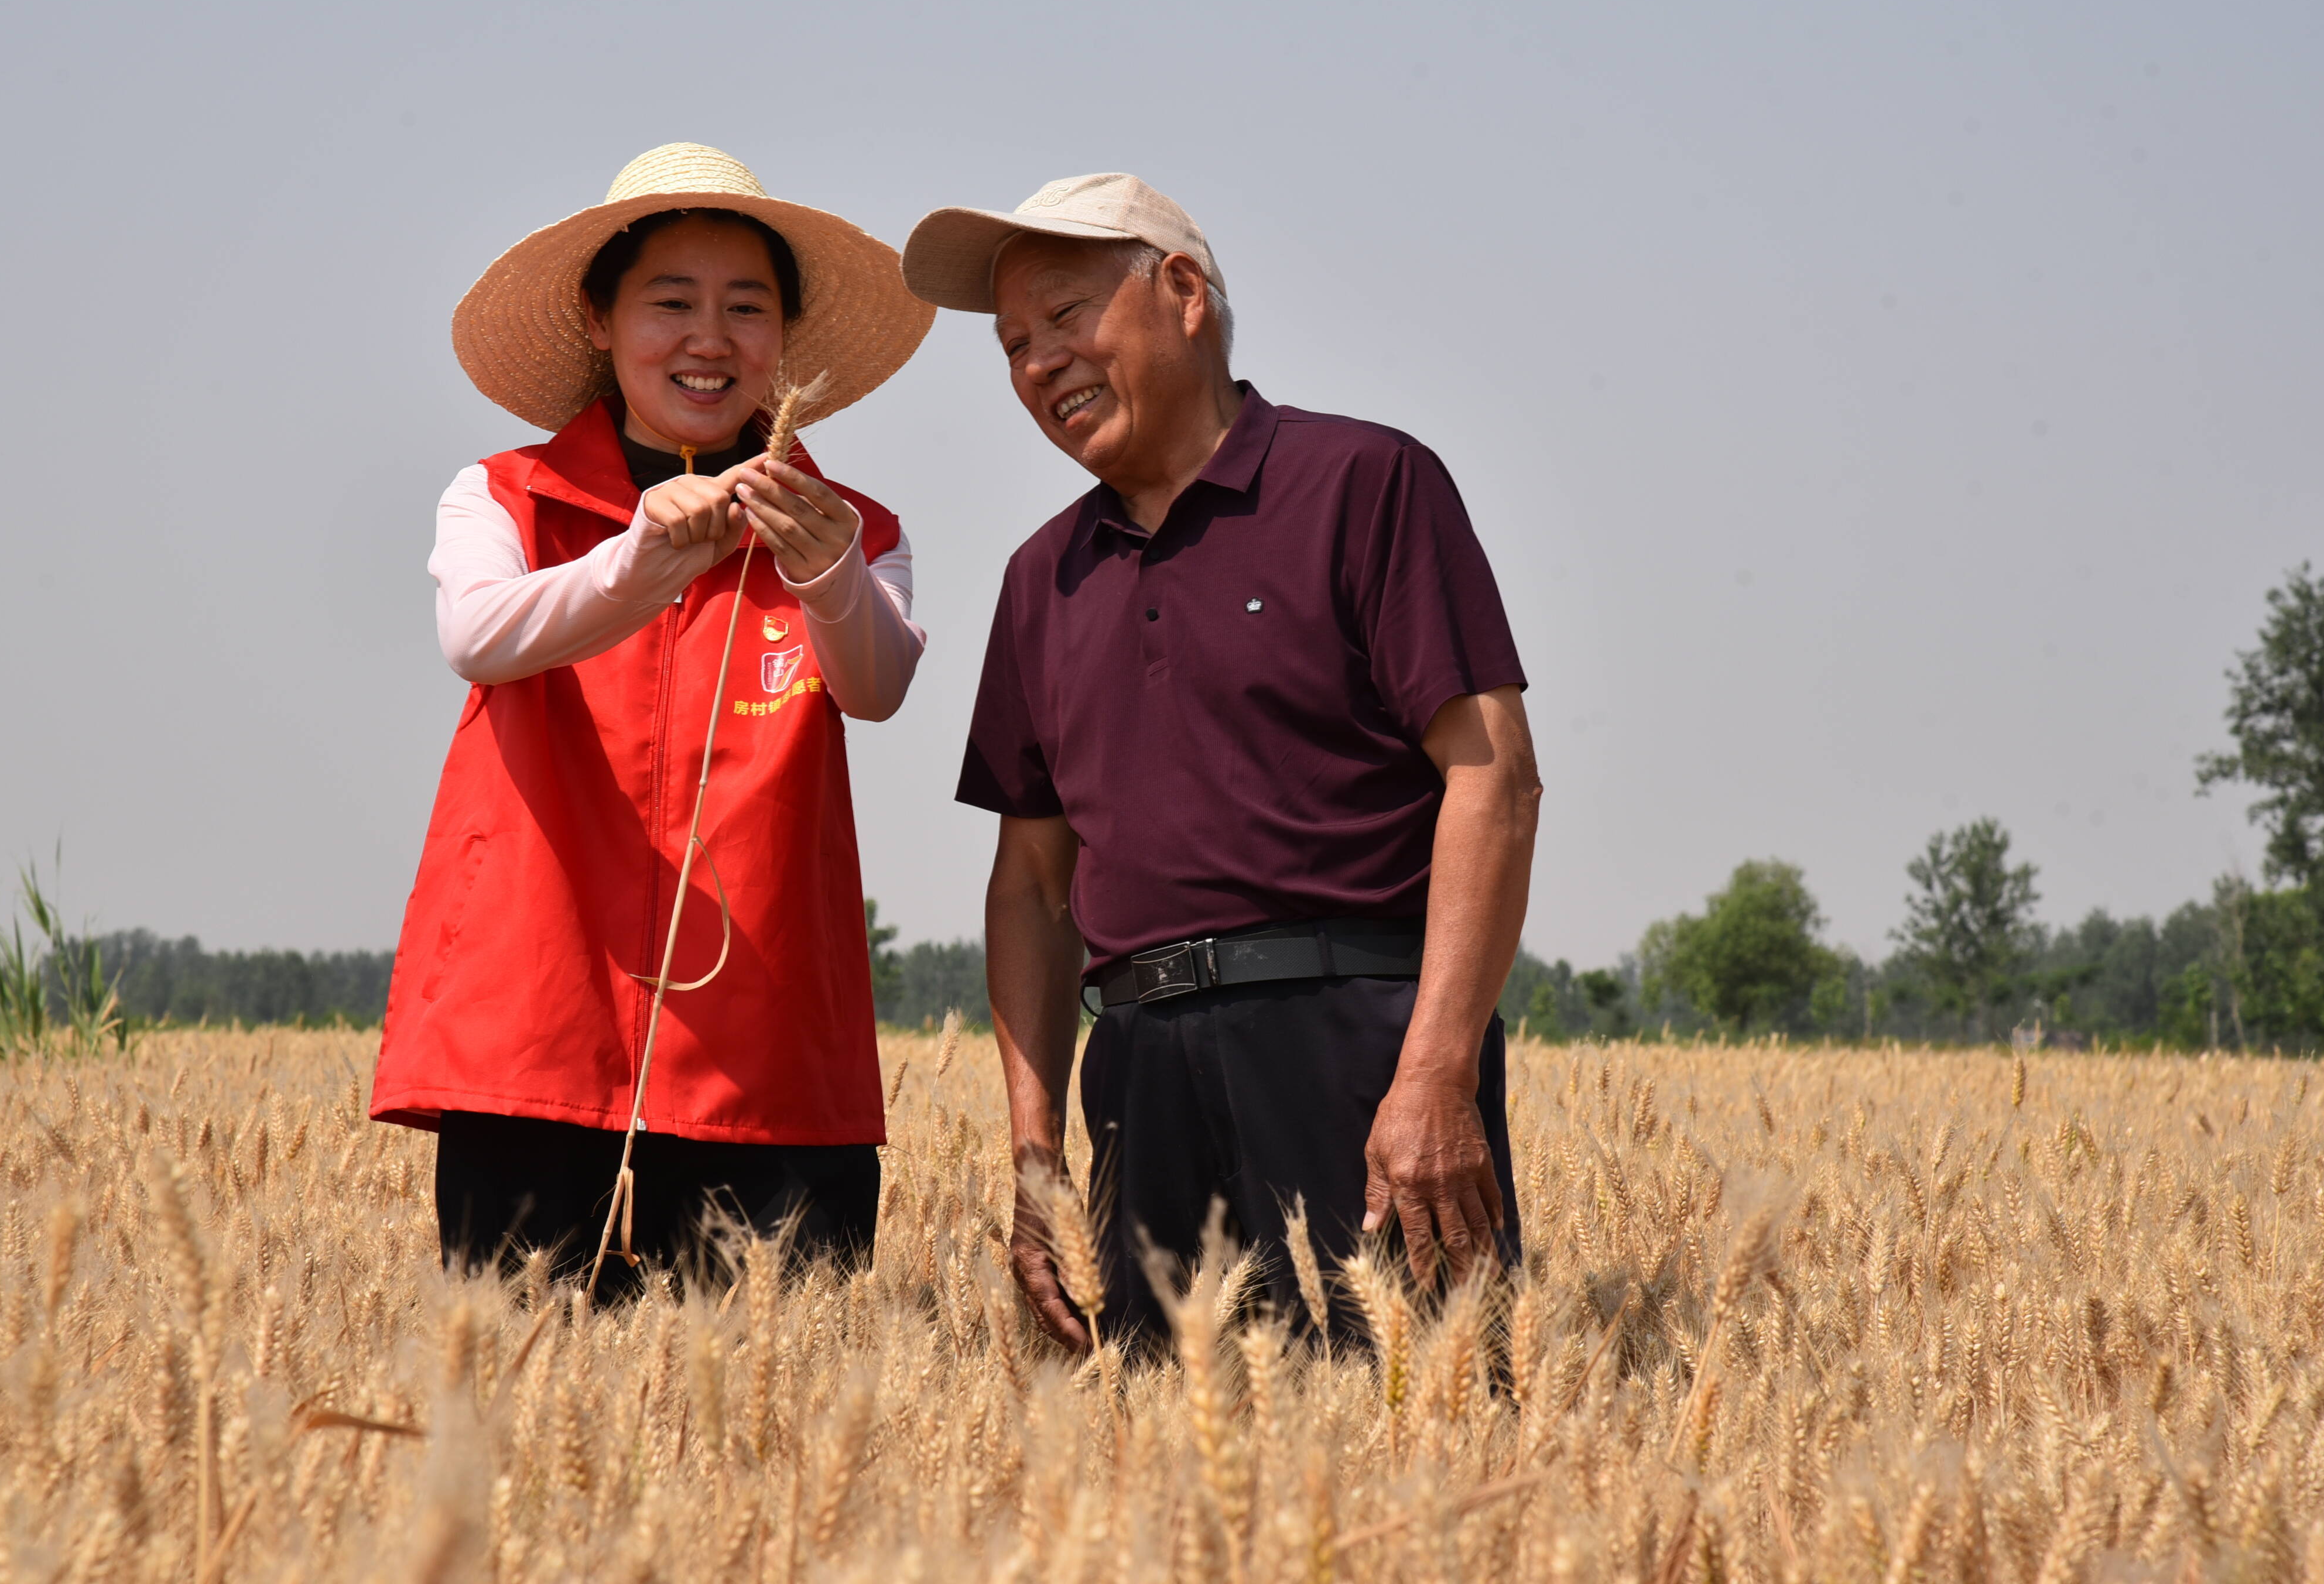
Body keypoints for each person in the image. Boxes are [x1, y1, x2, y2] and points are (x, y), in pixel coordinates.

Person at [901, 174, 1541, 1346]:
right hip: (1137, 1075)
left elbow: (1493, 775)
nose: (1041, 362)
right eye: (1014, 345)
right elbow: (1033, 886)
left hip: (1353, 1046)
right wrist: (1037, 1157)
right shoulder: (1041, 578)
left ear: (1185, 292)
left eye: (1066, 314)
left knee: (1405, 1421)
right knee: (1162, 1440)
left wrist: (1436, 1073)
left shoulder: (1364, 483)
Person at [372, 143, 935, 1292]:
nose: (710, 339)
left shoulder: (853, 527)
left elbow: (878, 686)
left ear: (785, 337)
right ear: (600, 318)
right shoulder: (503, 495)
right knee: (518, 1379)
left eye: (747, 308)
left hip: (767, 1056)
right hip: (536, 1032)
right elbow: (477, 635)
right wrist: (638, 564)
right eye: (671, 303)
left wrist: (825, 572)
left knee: (787, 1392)